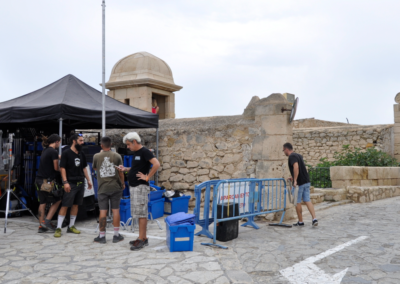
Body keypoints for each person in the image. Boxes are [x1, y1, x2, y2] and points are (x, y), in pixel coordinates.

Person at [117, 132, 160, 250]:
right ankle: (142, 237)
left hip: (140, 187)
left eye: (128, 144)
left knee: (141, 214)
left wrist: (147, 177)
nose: (127, 147)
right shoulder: (137, 153)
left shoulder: (145, 151)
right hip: (135, 187)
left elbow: (156, 164)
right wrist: (126, 169)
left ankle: (141, 239)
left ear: (134, 141)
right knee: (138, 213)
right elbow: (137, 167)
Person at [54, 134, 92, 237]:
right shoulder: (66, 154)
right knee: (66, 205)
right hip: (70, 183)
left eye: (82, 140)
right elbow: (62, 168)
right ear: (74, 141)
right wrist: (65, 182)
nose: (82, 142)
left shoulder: (81, 154)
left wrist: (88, 180)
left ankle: (71, 226)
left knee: (76, 205)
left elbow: (84, 168)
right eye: (80, 140)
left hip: (81, 182)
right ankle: (58, 228)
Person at [92, 137, 125, 244]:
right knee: (115, 210)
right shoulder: (117, 156)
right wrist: (123, 183)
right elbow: (121, 172)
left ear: (101, 145)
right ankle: (116, 235)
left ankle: (102, 236)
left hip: (103, 188)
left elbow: (95, 169)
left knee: (103, 211)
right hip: (115, 187)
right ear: (110, 145)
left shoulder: (96, 156)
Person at [283, 142, 318, 227]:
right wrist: (293, 176)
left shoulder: (291, 157)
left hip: (299, 183)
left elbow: (296, 167)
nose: (283, 152)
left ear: (287, 149)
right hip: (306, 181)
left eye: (283, 150)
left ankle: (301, 221)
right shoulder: (299, 155)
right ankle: (314, 219)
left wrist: (295, 180)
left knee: (297, 202)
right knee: (307, 200)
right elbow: (301, 168)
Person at [35, 134, 62, 233]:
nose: (59, 144)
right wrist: (63, 170)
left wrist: (63, 157)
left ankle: (41, 225)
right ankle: (47, 221)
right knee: (57, 200)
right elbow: (56, 168)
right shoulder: (53, 151)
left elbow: (55, 157)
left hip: (38, 180)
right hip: (47, 182)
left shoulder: (45, 150)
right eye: (59, 142)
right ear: (56, 142)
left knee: (42, 202)